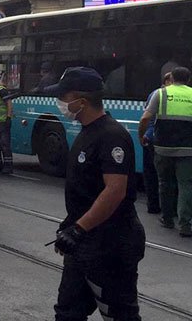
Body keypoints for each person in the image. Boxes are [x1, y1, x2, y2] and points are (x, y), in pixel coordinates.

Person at [44, 67, 145, 321]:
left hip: (110, 246)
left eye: (64, 97)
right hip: (84, 244)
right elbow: (87, 190)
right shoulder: (87, 132)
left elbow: (115, 190)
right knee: (68, 312)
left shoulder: (111, 136)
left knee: (120, 315)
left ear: (81, 101)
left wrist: (78, 228)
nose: (61, 104)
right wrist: (70, 226)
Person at [138, 66, 192, 237]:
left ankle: (167, 218)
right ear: (188, 79)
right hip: (187, 149)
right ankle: (185, 224)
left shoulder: (160, 94)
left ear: (172, 78)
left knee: (164, 182)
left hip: (162, 148)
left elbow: (146, 118)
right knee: (185, 185)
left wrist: (142, 136)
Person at [140, 72, 173, 214]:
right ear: (165, 81)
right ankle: (169, 210)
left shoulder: (156, 94)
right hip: (165, 140)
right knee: (168, 177)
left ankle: (154, 206)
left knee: (153, 175)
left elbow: (146, 118)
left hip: (153, 139)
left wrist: (142, 136)